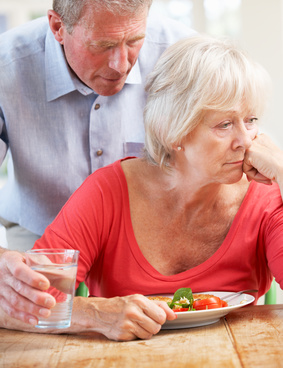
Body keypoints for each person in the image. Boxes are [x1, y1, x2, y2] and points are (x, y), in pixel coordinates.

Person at [0, 35, 282, 341]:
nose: (245, 141)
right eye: (224, 125)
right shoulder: (106, 193)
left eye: (251, 120)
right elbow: (19, 303)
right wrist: (93, 314)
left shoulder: (266, 196)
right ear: (172, 130)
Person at [0, 0, 194, 251]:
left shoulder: (183, 52)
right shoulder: (5, 66)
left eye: (134, 41)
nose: (121, 65)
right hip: (39, 235)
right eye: (102, 45)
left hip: (150, 235)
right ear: (58, 27)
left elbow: (236, 133)